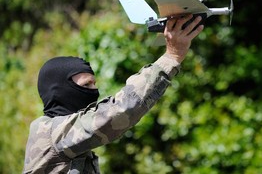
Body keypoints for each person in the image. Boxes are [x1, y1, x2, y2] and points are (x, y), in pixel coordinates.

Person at [23, 14, 204, 173]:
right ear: (59, 91)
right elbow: (119, 111)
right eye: (86, 85)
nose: (94, 91)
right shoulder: (51, 131)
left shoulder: (72, 141)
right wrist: (171, 57)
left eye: (94, 83)